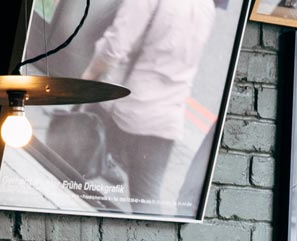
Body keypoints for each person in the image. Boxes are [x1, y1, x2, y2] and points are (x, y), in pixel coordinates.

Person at [83, 0, 220, 212]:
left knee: (72, 164)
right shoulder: (206, 6)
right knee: (147, 202)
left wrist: (90, 74)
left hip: (127, 107)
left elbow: (114, 48)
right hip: (166, 120)